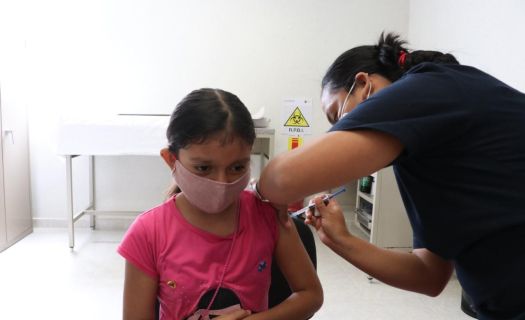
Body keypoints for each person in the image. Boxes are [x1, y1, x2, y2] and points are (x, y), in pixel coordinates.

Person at [256, 32, 525, 320]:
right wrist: (340, 239)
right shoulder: (422, 152)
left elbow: (282, 179)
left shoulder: (427, 87)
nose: (342, 131)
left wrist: (256, 191)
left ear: (364, 84)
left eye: (339, 116)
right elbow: (429, 275)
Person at [118, 88, 323, 320]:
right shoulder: (148, 232)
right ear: (171, 159)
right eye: (203, 168)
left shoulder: (267, 214)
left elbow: (310, 295)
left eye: (237, 167)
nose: (221, 183)